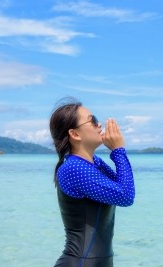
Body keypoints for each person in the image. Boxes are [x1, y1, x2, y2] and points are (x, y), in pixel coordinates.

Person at [49, 98, 135, 267]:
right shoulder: (73, 168)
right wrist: (118, 151)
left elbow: (123, 187)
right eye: (93, 120)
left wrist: (118, 151)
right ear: (74, 134)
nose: (99, 125)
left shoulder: (94, 162)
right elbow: (126, 196)